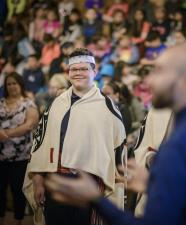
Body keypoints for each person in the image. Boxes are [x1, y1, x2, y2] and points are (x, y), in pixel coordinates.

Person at [46, 43, 186, 225]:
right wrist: (153, 183)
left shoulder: (181, 145)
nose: (149, 81)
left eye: (160, 72)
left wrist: (95, 199)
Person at [23, 48, 126, 225]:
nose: (78, 73)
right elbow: (41, 143)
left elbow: (117, 152)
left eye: (84, 69)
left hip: (88, 184)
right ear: (68, 72)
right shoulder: (57, 103)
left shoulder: (108, 107)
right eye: (74, 69)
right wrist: (39, 180)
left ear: (95, 71)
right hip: (55, 180)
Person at [0, 72, 39, 225]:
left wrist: (5, 134)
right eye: (9, 84)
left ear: (20, 85)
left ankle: (18, 221)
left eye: (14, 83)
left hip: (21, 156)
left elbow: (29, 125)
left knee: (18, 191)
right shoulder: (1, 102)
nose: (12, 86)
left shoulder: (28, 103)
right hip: (1, 156)